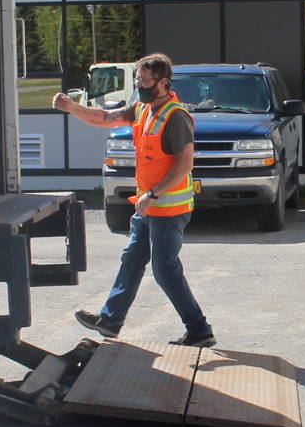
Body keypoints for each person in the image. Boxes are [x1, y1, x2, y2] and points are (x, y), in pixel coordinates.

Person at [53, 52, 215, 347]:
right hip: (147, 205)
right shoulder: (142, 107)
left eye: (144, 81)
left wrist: (154, 194)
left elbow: (184, 164)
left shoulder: (175, 116)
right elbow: (105, 118)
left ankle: (199, 330)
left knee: (165, 270)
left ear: (163, 82)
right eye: (137, 80)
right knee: (132, 258)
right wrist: (72, 108)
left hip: (167, 207)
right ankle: (111, 320)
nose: (139, 85)